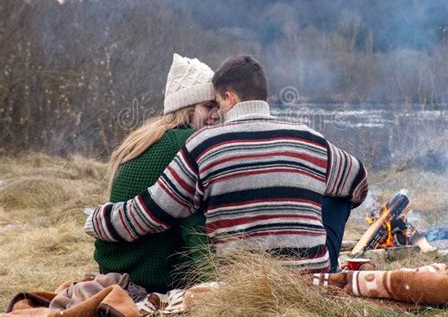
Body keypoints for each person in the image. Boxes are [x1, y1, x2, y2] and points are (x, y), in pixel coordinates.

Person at [86, 55, 368, 275]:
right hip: (309, 281)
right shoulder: (312, 139)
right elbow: (358, 183)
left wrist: (99, 219)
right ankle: (326, 267)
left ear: (229, 98)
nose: (217, 113)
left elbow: (149, 214)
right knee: (338, 192)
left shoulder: (204, 146)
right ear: (265, 98)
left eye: (217, 103)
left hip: (240, 283)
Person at [93, 53, 218, 292]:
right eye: (208, 106)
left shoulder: (149, 135)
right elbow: (194, 221)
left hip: (115, 266)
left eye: (217, 107)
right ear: (187, 107)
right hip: (151, 272)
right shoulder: (189, 142)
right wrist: (213, 283)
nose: (215, 115)